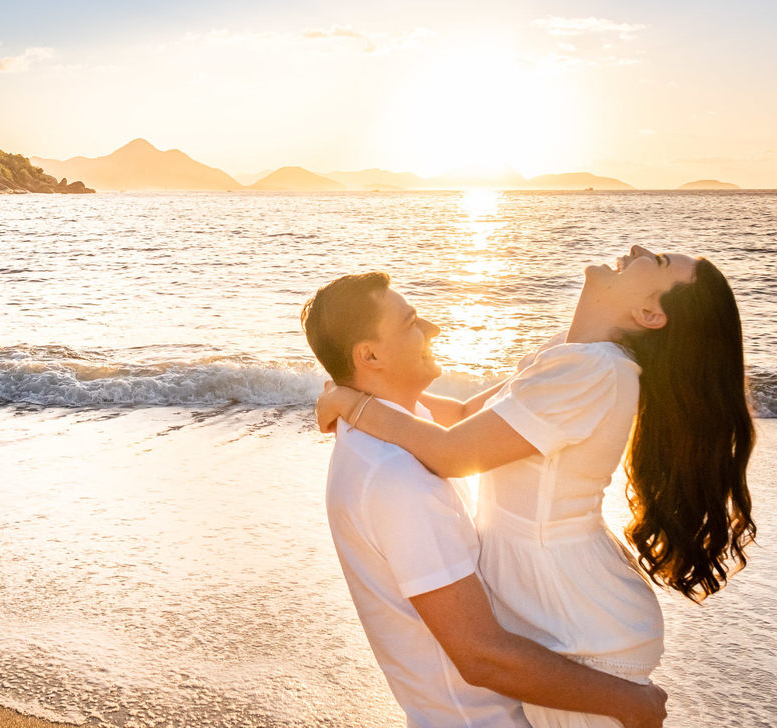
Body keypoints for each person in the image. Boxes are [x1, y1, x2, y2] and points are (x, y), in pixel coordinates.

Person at [315, 247, 755, 727]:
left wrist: (352, 403)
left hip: (575, 625)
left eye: (660, 262)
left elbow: (454, 453)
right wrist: (362, 397)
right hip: (557, 612)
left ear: (650, 313)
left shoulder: (594, 371)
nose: (638, 250)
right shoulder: (566, 355)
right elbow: (464, 420)